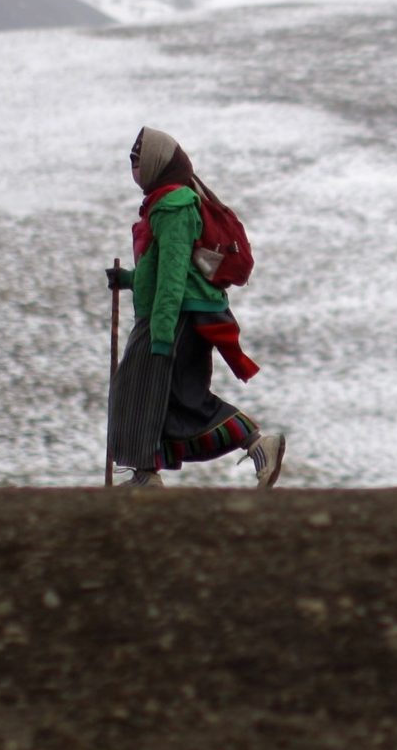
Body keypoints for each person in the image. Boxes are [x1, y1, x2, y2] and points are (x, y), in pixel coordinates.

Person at [105, 127, 285, 488]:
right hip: (178, 313)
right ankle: (149, 472)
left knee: (143, 391)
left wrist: (161, 333)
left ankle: (149, 473)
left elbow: (173, 275)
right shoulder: (168, 202)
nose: (134, 170)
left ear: (157, 163)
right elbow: (163, 267)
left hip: (176, 317)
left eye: (138, 162)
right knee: (170, 397)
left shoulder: (173, 206)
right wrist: (129, 279)